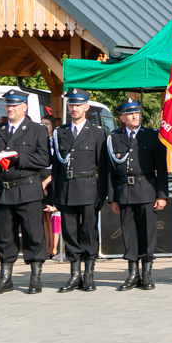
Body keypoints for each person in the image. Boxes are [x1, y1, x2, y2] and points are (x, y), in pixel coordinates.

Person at [0, 90, 51, 295]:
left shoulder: (36, 130)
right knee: (5, 236)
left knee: (33, 234)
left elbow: (43, 159)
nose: (10, 109)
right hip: (4, 190)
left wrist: (17, 158)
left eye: (14, 105)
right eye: (7, 105)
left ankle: (35, 276)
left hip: (27, 189)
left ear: (24, 107)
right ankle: (5, 277)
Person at [107, 99, 168, 291]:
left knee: (148, 233)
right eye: (130, 114)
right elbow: (110, 171)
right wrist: (112, 198)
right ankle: (132, 273)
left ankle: (147, 273)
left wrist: (161, 195)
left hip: (147, 189)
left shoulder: (151, 136)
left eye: (137, 113)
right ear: (122, 117)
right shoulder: (114, 138)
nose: (134, 116)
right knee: (129, 234)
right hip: (124, 192)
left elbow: (162, 169)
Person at [52, 90, 108, 293]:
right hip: (67, 189)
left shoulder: (96, 132)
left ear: (86, 107)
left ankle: (89, 274)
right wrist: (55, 194)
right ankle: (74, 274)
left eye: (78, 105)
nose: (74, 109)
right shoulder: (60, 132)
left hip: (87, 187)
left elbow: (103, 166)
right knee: (70, 232)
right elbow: (57, 166)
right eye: (71, 105)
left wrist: (102, 193)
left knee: (89, 232)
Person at [40, 115, 59, 260]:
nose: (44, 126)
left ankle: (54, 248)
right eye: (42, 124)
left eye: (47, 123)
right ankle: (47, 247)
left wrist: (46, 182)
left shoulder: (56, 140)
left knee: (55, 216)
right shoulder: (40, 139)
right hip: (41, 176)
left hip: (53, 178)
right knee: (45, 216)